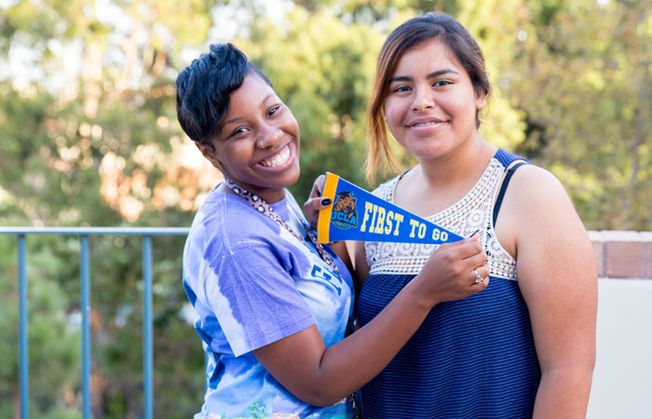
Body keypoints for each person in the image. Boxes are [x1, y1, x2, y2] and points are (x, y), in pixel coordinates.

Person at [175, 42, 489, 418]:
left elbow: (332, 313)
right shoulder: (234, 240)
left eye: (273, 111)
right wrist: (424, 291)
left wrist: (328, 237)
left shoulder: (274, 202)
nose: (271, 136)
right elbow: (319, 382)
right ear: (209, 152)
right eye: (240, 131)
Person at [354, 12, 597, 418]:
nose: (421, 101)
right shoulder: (373, 209)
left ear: (479, 92)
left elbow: (569, 369)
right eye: (402, 88)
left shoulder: (528, 194)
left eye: (442, 82)